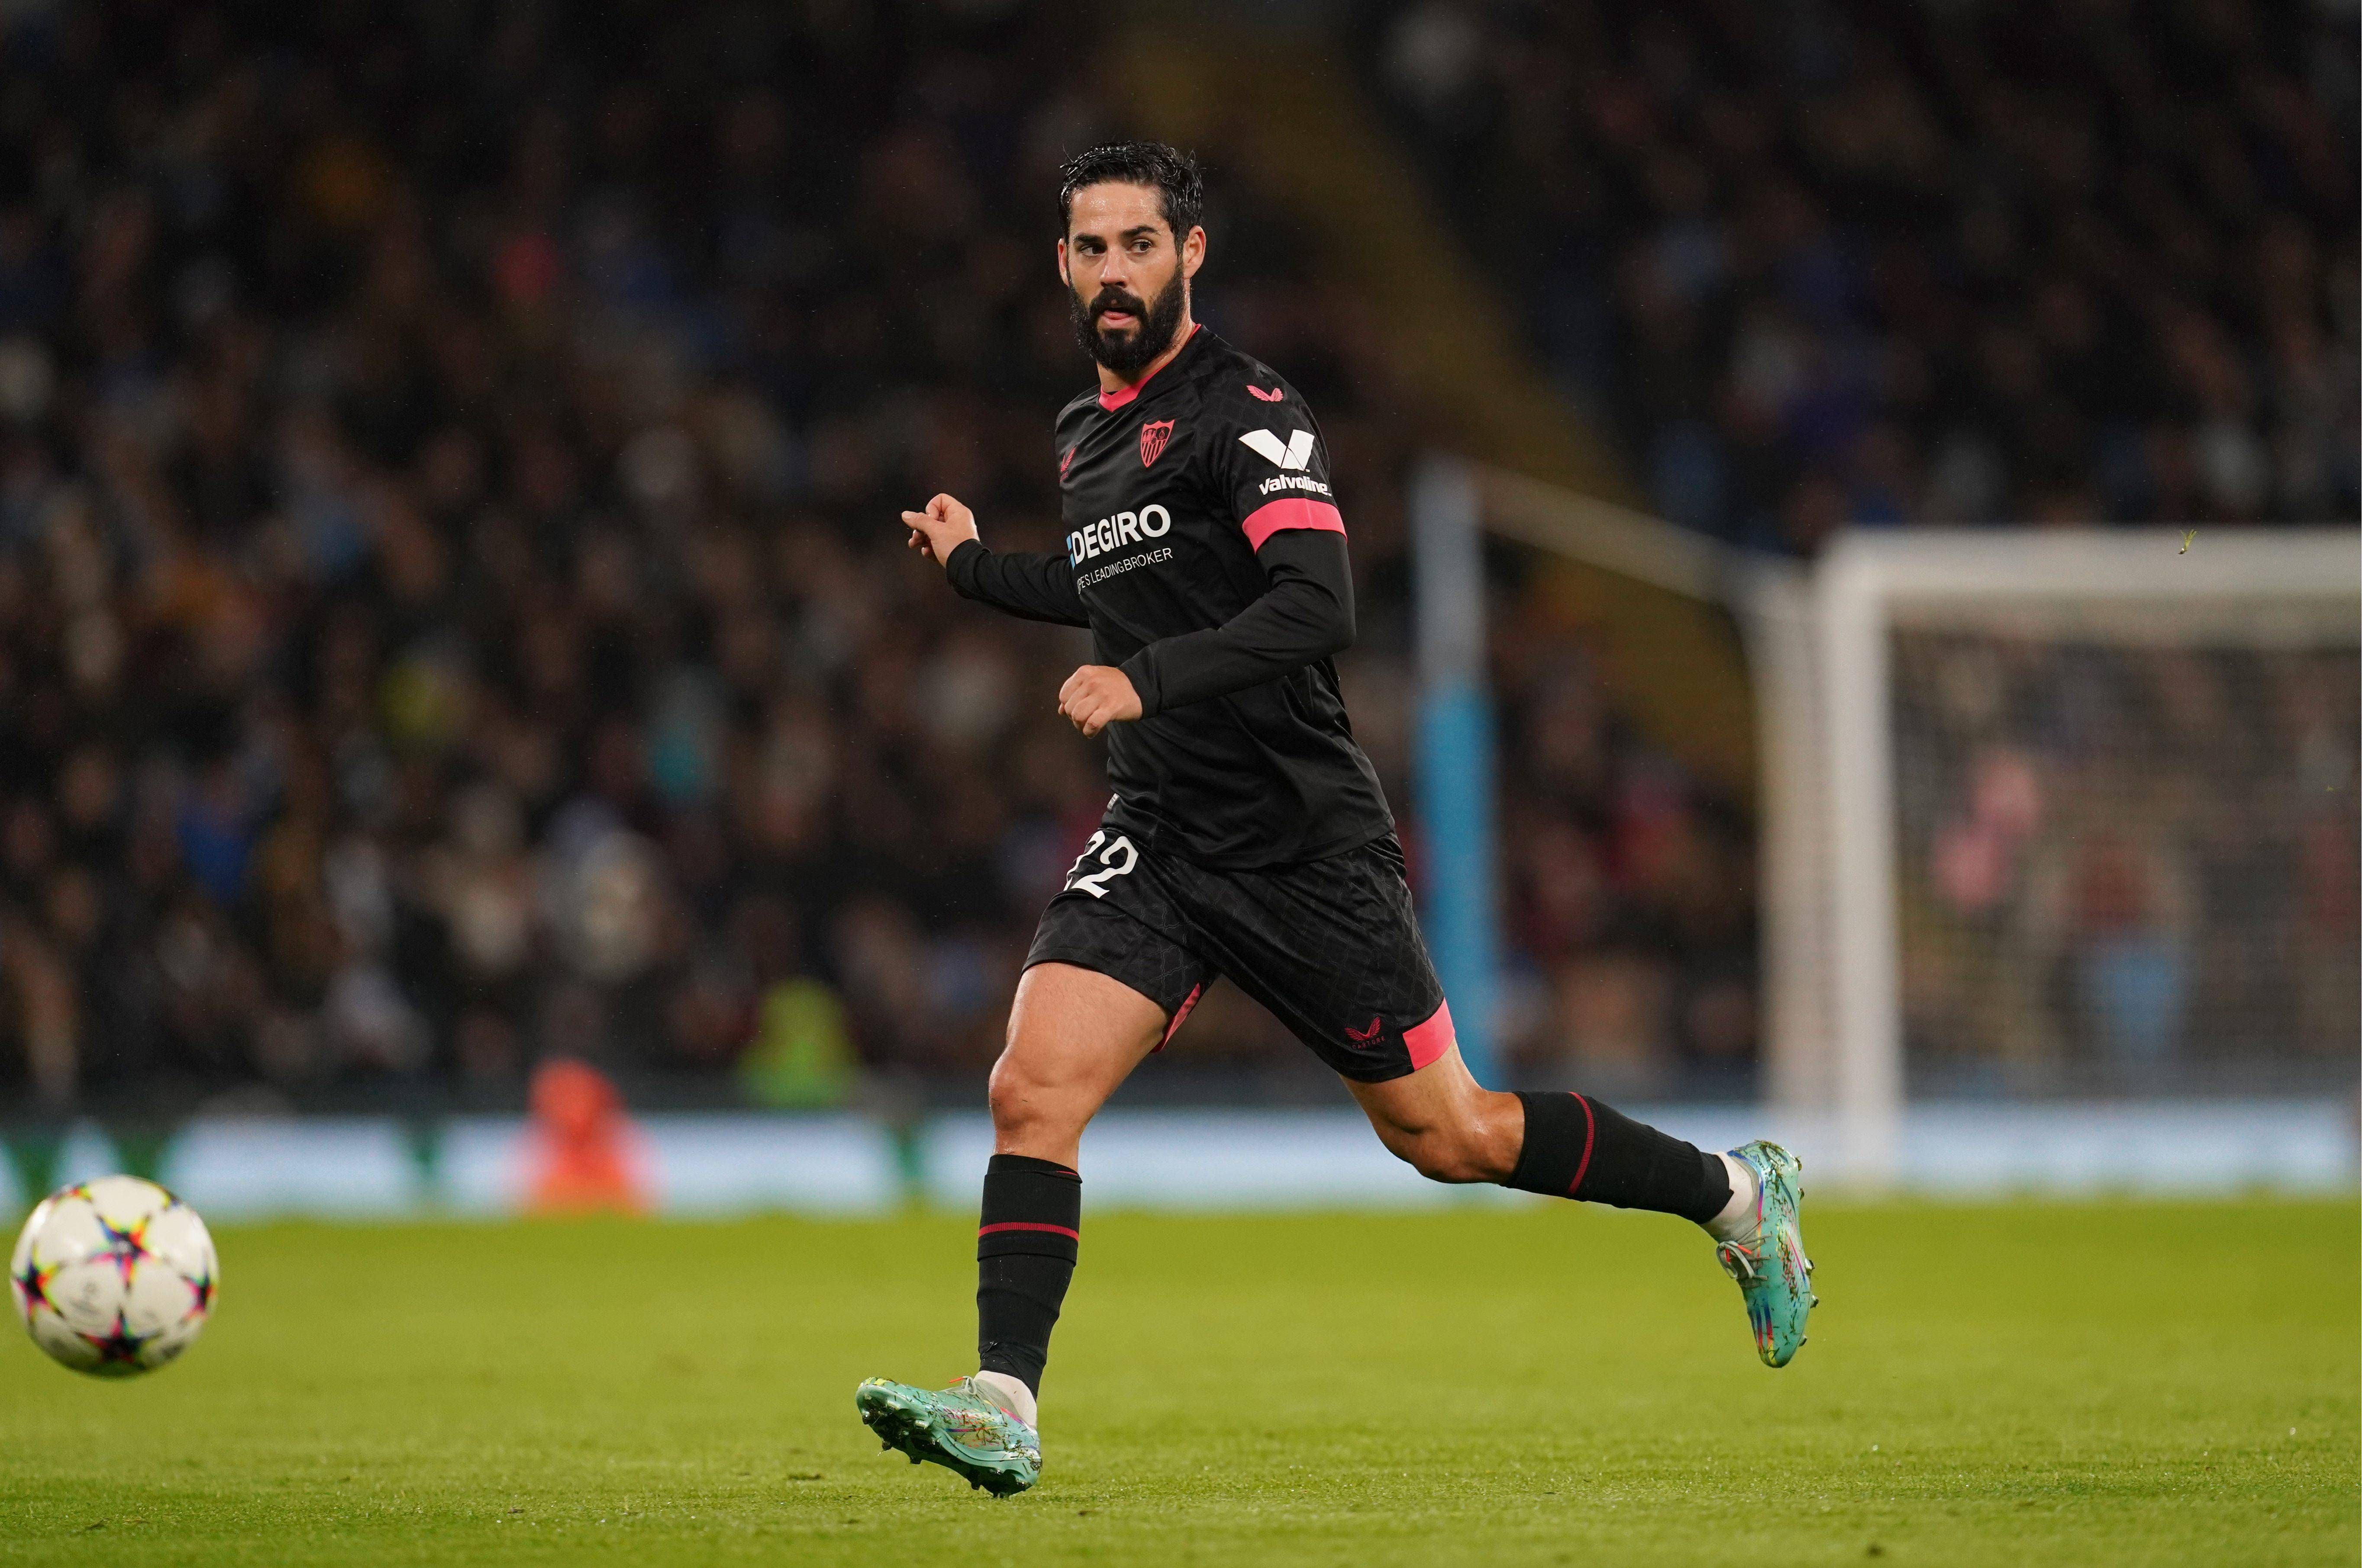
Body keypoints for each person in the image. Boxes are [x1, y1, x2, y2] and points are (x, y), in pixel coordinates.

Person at [855, 142, 1813, 1497]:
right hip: (1164, 837)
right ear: (1060, 267)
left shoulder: (1250, 409)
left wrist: (1146, 680)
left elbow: (1318, 603)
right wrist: (972, 569)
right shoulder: (1086, 434)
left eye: (1139, 244)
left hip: (1302, 843)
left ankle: (1735, 1193)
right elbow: (1110, 578)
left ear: (1191, 255)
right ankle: (1004, 1401)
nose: (1114, 272)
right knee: (1031, 1089)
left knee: (1452, 1134)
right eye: (1090, 248)